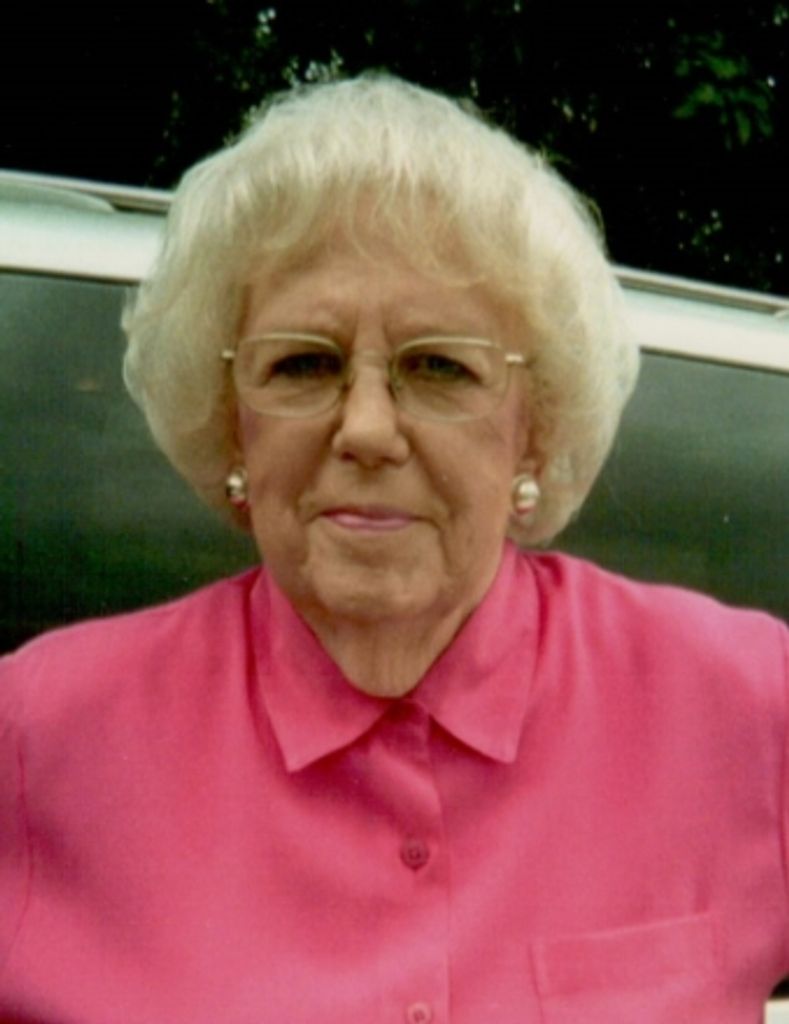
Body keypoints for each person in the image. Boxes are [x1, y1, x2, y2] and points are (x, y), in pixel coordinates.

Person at [0, 74, 786, 1024]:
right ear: (231, 420)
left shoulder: (746, 708)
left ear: (532, 427)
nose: (367, 429)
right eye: (303, 363)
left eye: (438, 366)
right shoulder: (37, 740)